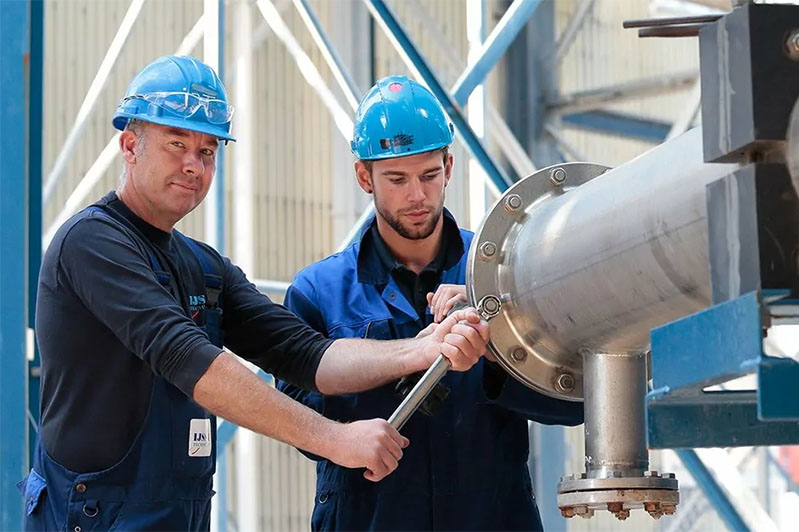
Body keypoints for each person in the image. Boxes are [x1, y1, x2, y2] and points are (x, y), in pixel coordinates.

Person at [19, 56, 489, 532]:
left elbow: (307, 355)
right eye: (176, 143)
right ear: (130, 145)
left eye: (207, 150)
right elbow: (190, 359)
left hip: (177, 515)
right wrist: (335, 438)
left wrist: (423, 349)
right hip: (91, 515)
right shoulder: (91, 243)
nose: (192, 165)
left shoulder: (203, 267)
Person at [277, 75, 583, 531]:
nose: (417, 195)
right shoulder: (319, 291)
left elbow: (572, 404)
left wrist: (497, 349)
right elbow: (298, 419)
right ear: (365, 177)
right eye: (397, 179)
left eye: (429, 175)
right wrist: (399, 364)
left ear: (450, 168)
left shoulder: (502, 271)